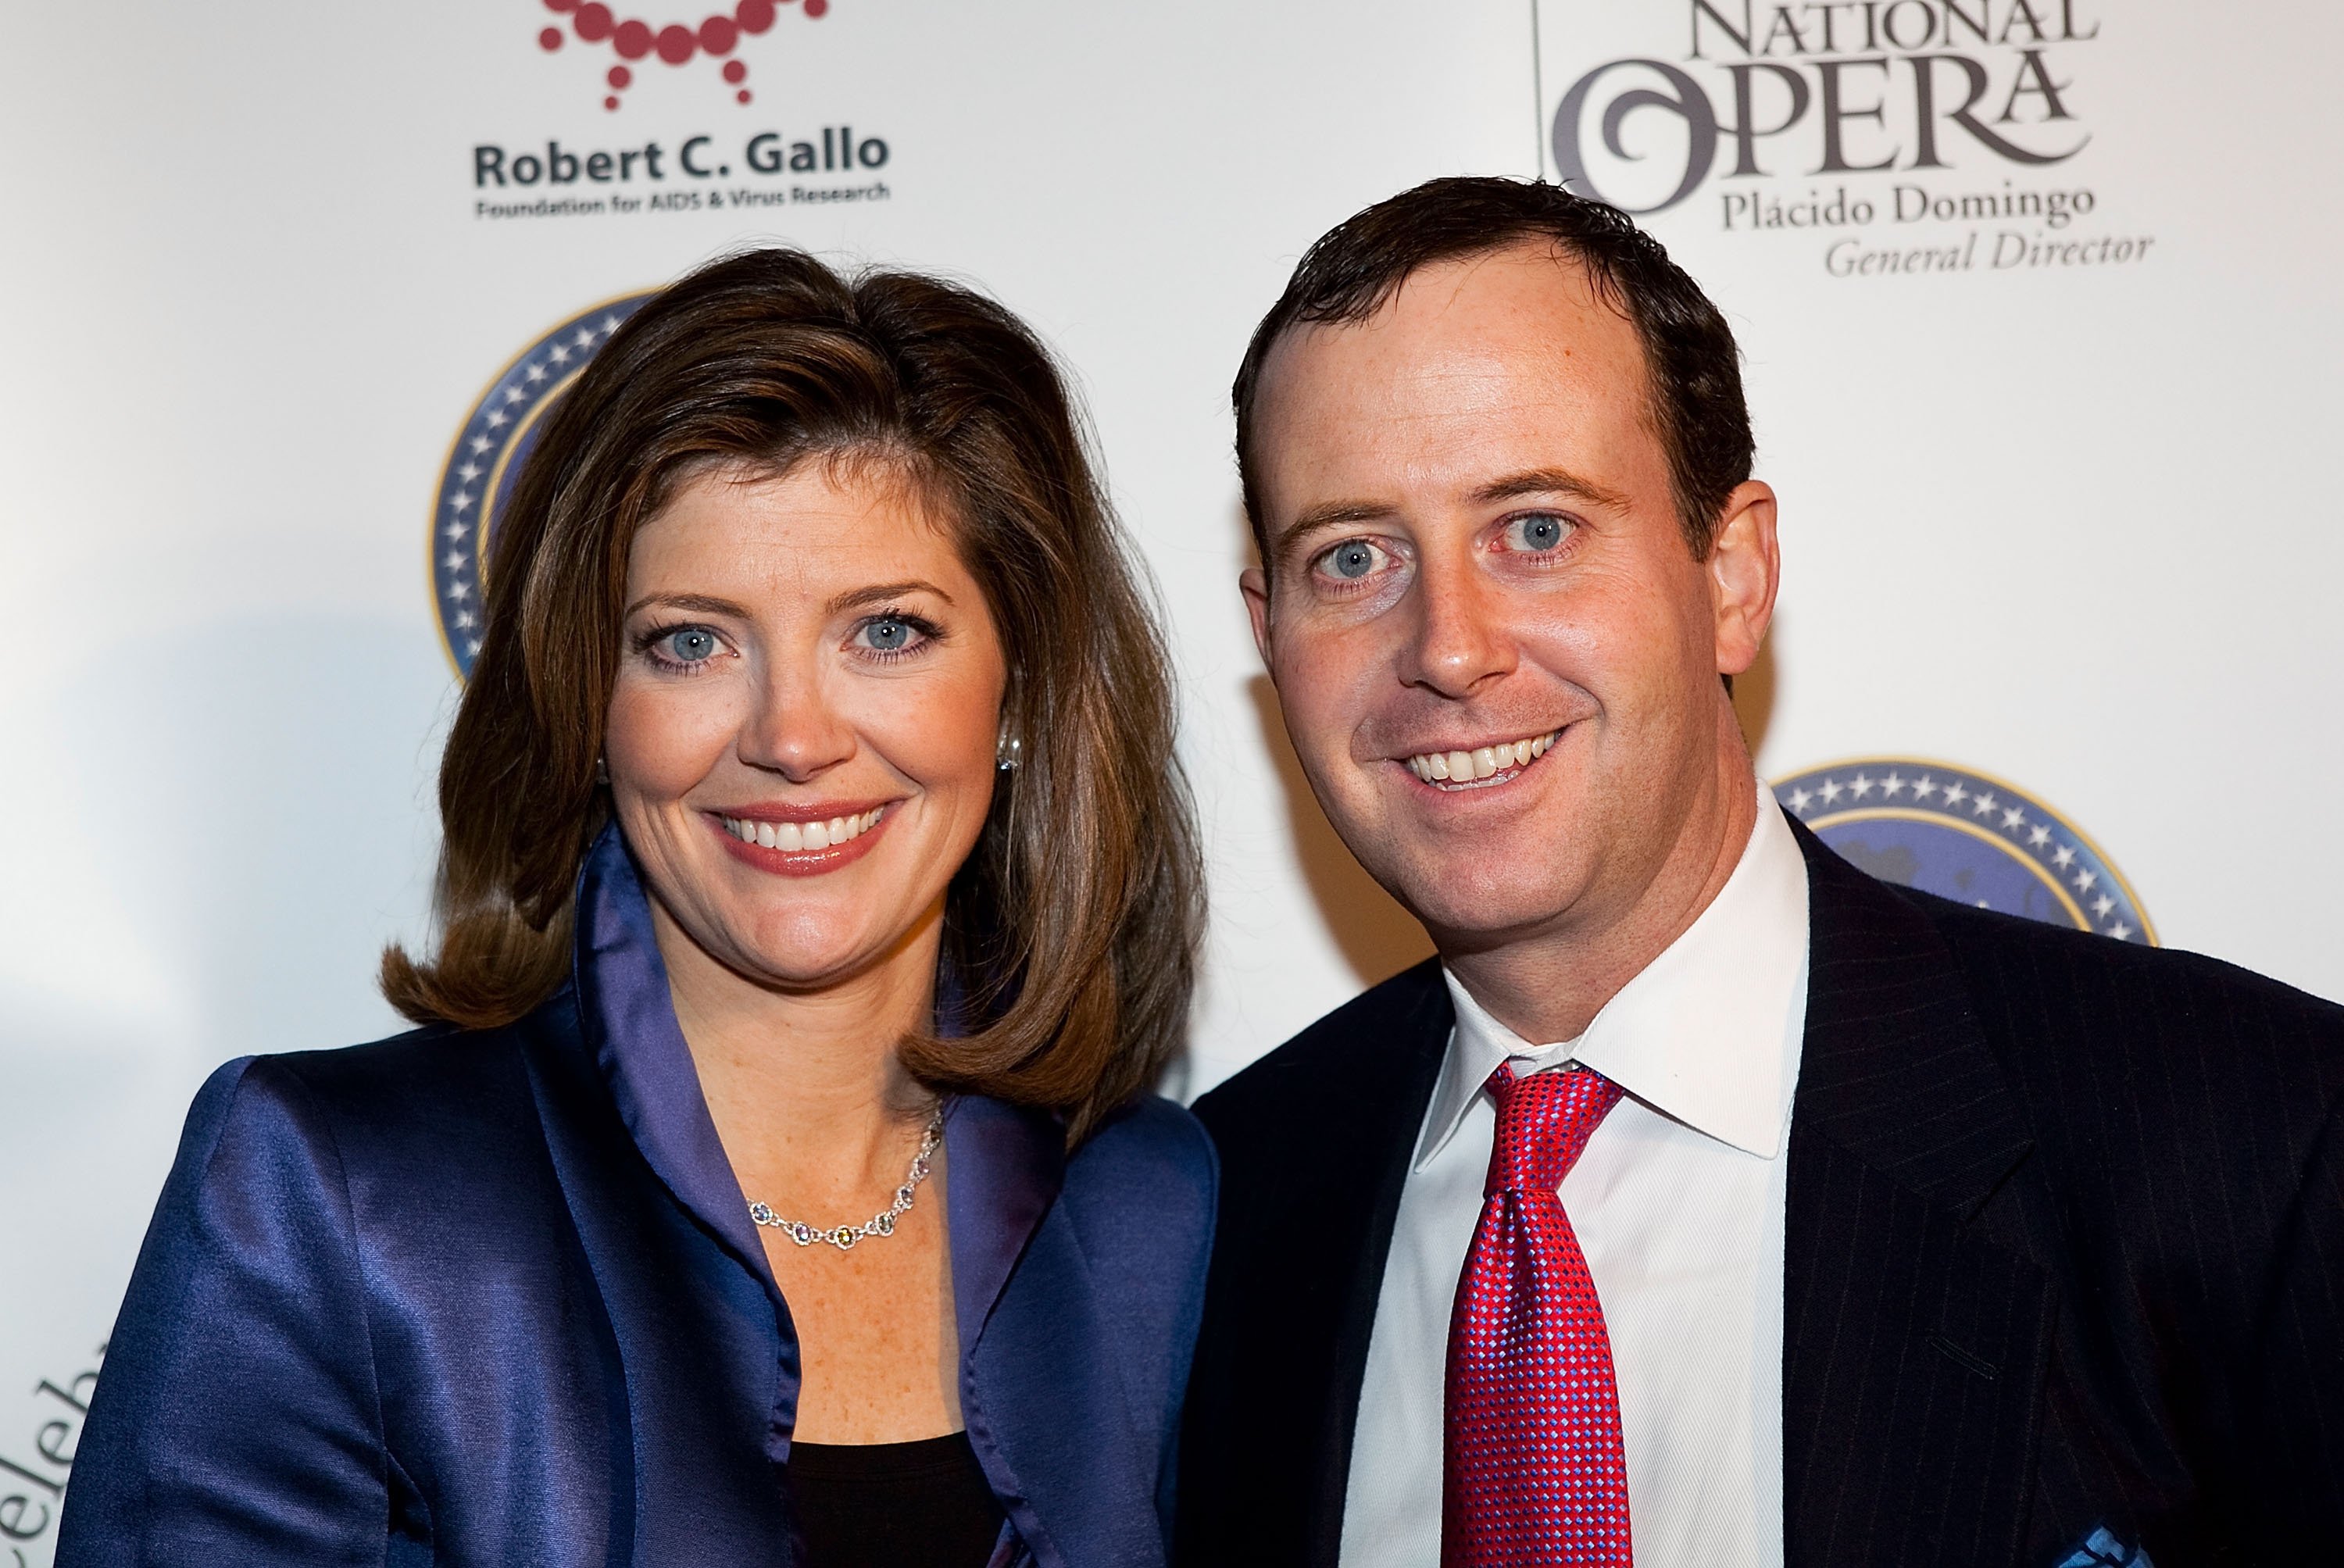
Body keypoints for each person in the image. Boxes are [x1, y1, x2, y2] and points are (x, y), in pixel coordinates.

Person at [1175, 176, 2344, 1568]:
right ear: (1269, 631)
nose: (1449, 646)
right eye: (1352, 558)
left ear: (1732, 573)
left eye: (1536, 529)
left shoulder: (2250, 1140)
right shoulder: (1210, 1223)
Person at [60, 248, 1214, 1568]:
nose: (792, 735)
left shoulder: (1147, 1205)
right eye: (690, 641)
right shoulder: (334, 1197)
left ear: (1019, 692)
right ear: (591, 710)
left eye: (886, 631)